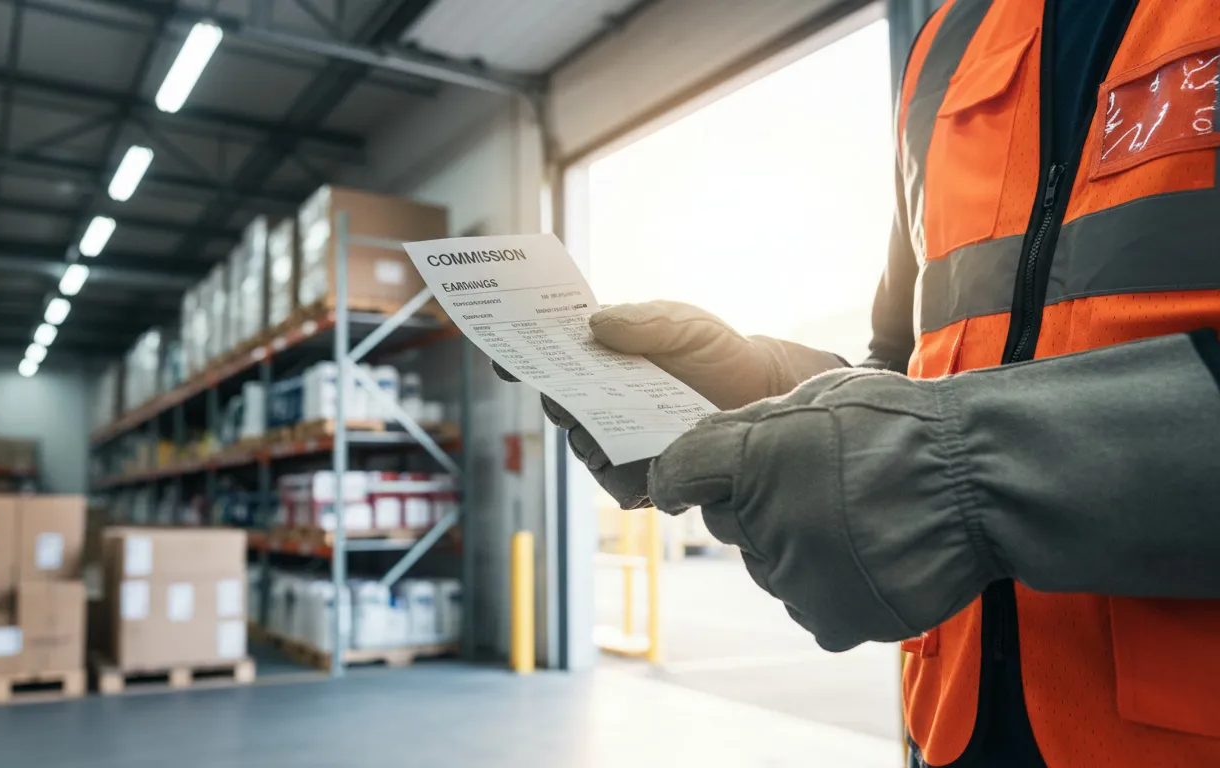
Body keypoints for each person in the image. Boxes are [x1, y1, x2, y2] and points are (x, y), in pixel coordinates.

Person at [500, 1, 1220, 765]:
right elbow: (910, 365)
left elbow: (945, 439)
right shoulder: (949, 38)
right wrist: (760, 397)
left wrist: (971, 472)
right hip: (959, 730)